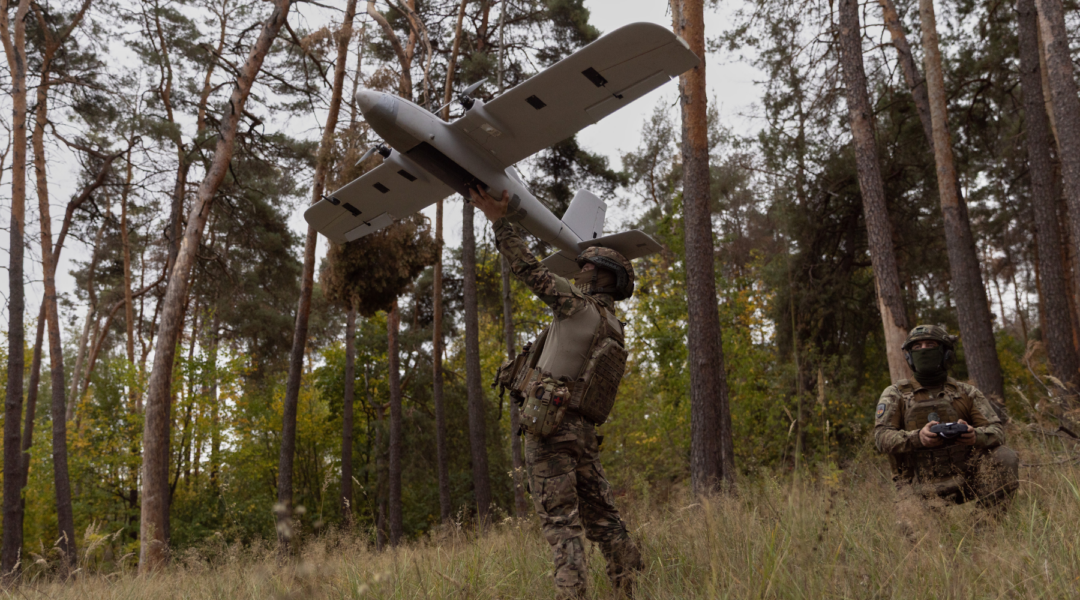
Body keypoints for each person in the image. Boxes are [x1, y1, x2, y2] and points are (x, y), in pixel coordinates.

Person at [470, 186, 643, 599]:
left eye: (586, 268)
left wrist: (500, 220)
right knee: (605, 520)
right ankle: (630, 587)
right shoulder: (615, 329)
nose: (579, 272)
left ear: (601, 276)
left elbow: (528, 268)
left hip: (549, 430)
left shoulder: (577, 307)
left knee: (561, 525)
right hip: (583, 435)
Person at [874, 324, 1019, 511]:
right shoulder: (896, 394)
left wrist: (974, 435)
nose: (924, 350)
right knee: (921, 538)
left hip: (967, 478)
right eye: (917, 347)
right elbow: (881, 437)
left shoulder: (965, 392)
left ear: (946, 353)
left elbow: (997, 432)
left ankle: (985, 529)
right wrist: (918, 438)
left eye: (930, 344)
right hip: (917, 487)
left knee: (1005, 457)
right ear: (909, 356)